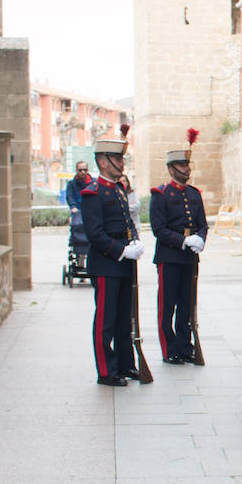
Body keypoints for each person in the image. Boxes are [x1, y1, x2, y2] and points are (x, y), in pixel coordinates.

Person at [80, 130, 145, 386]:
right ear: (104, 162)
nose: (122, 164)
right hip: (107, 264)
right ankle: (107, 370)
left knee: (123, 318)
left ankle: (126, 365)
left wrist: (135, 240)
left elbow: (128, 221)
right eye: (118, 159)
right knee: (106, 320)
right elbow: (94, 234)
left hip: (124, 261)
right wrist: (121, 251)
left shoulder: (118, 190)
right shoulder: (92, 192)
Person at [149, 134, 208, 365]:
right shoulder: (161, 194)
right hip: (170, 256)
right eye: (182, 165)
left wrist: (201, 238)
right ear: (171, 168)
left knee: (186, 304)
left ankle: (185, 346)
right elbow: (159, 229)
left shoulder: (194, 194)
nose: (186, 169)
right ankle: (169, 348)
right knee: (168, 305)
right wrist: (183, 241)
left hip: (190, 258)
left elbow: (202, 224)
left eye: (187, 164)